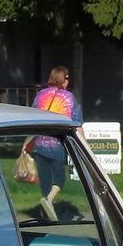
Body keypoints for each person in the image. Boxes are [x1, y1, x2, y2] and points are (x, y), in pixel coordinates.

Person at [26, 67, 80, 221]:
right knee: (59, 178)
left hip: (39, 144)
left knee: (45, 180)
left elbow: (31, 117)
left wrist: (28, 141)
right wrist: (84, 146)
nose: (68, 81)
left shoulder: (40, 95)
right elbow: (77, 123)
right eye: (67, 78)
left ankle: (46, 212)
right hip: (57, 145)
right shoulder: (69, 98)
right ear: (63, 79)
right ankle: (49, 200)